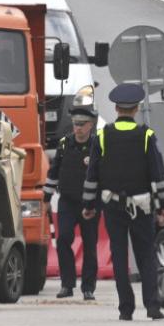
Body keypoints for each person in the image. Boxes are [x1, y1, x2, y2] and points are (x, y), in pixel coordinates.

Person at [83, 83, 164, 321]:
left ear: (116, 108)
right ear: (136, 109)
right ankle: (152, 306)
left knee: (119, 257)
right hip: (141, 208)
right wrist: (162, 207)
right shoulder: (146, 136)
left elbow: (92, 175)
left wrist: (89, 206)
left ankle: (125, 309)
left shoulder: (102, 136)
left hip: (113, 207)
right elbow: (157, 175)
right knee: (146, 256)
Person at [44, 103, 100, 300]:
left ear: (90, 125)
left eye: (82, 124)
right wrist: (46, 198)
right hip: (67, 201)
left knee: (90, 245)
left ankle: (88, 287)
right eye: (75, 123)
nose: (78, 128)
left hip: (90, 204)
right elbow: (53, 173)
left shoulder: (97, 145)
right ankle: (67, 285)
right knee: (63, 239)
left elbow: (103, 174)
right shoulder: (64, 144)